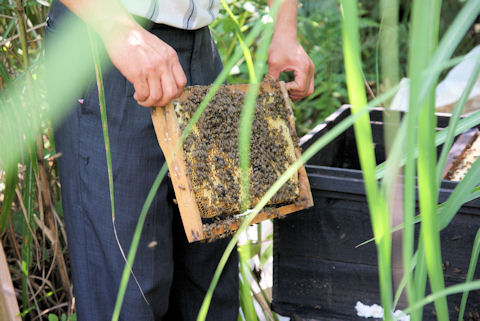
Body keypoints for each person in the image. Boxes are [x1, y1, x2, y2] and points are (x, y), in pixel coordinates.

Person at [45, 0, 314, 320]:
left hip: (199, 46)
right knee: (130, 293)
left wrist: (284, 29)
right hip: (107, 41)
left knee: (211, 285)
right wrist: (120, 30)